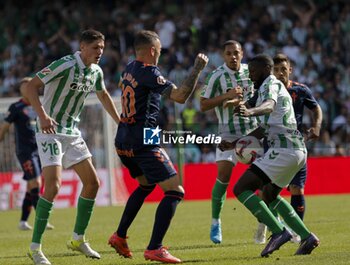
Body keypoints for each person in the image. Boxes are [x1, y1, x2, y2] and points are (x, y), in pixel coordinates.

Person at [108, 30, 210, 264]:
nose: (161, 55)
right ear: (153, 50)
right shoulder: (149, 72)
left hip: (124, 136)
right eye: (160, 50)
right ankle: (155, 248)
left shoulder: (129, 68)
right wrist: (197, 68)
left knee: (145, 185)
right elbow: (181, 96)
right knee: (175, 191)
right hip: (143, 138)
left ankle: (120, 235)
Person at [22, 29, 120, 265]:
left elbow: (104, 95)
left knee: (93, 183)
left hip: (72, 133)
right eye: (95, 48)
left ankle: (78, 239)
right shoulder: (64, 64)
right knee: (53, 186)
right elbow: (29, 87)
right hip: (49, 132)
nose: (100, 53)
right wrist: (43, 116)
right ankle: (35, 248)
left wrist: (121, 123)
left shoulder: (96, 71)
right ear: (83, 47)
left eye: (102, 49)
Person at [221, 54, 319, 257]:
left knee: (241, 188)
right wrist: (235, 143)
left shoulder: (270, 84)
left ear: (266, 69)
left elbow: (269, 105)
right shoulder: (268, 85)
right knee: (269, 194)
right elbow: (263, 130)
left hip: (285, 149)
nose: (252, 77)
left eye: (254, 72)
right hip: (295, 150)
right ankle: (306, 237)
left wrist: (250, 112)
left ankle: (278, 232)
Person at [254, 53, 323, 244]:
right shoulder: (266, 91)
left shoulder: (300, 90)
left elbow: (316, 108)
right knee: (266, 191)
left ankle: (297, 232)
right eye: (276, 70)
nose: (280, 73)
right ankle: (265, 223)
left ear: (290, 70)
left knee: (297, 189)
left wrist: (316, 126)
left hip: (294, 145)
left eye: (283, 69)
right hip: (272, 146)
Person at [200, 40, 257, 244]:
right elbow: (203, 104)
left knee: (265, 178)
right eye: (228, 53)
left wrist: (241, 103)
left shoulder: (251, 72)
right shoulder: (217, 76)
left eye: (236, 53)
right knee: (223, 176)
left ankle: (265, 222)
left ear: (242, 53)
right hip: (227, 134)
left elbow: (257, 98)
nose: (233, 56)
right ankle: (216, 222)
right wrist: (227, 97)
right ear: (223, 56)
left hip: (252, 133)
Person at [0, 77, 53, 231]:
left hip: (40, 149)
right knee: (36, 182)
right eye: (24, 86)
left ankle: (23, 221)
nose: (27, 88)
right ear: (21, 90)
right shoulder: (16, 106)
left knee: (32, 186)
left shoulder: (40, 106)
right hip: (25, 151)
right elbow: (5, 127)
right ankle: (41, 220)